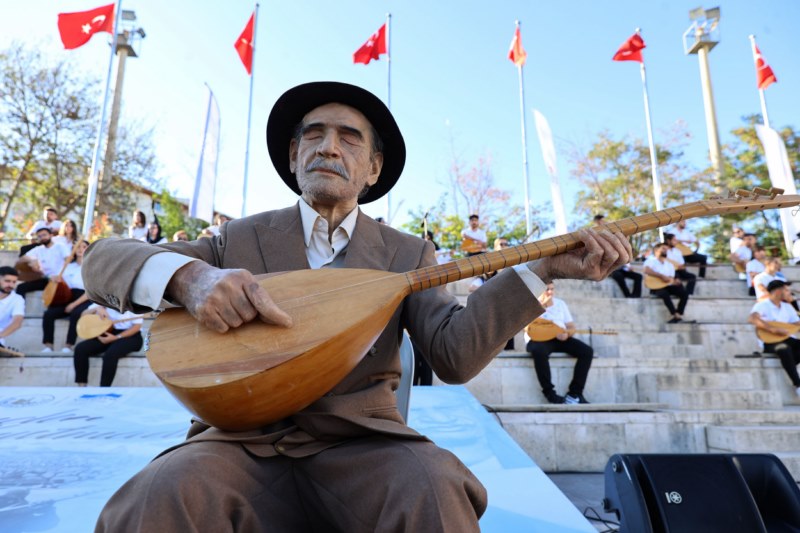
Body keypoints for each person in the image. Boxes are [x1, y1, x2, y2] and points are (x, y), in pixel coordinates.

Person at [83, 81, 631, 532]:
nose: (328, 147)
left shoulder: (407, 253)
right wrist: (190, 278)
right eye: (314, 136)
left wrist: (540, 269)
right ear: (294, 155)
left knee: (434, 488)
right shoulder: (237, 240)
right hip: (239, 446)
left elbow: (452, 355)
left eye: (349, 138)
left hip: (365, 448)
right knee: (158, 495)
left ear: (372, 168)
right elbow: (103, 261)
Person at [525, 282, 593, 404]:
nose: (550, 292)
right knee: (538, 351)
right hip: (538, 340)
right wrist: (541, 305)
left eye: (552, 289)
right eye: (547, 289)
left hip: (559, 338)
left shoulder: (560, 304)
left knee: (587, 351)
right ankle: (550, 393)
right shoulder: (531, 304)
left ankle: (575, 393)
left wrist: (567, 334)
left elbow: (571, 326)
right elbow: (526, 327)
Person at [748, 280, 800, 398]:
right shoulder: (762, 305)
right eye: (786, 290)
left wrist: (794, 304)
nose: (789, 292)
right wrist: (773, 329)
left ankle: (788, 363)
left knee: (789, 348)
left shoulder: (788, 307)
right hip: (770, 341)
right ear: (777, 292)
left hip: (788, 339)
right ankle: (798, 385)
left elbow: (797, 325)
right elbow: (752, 319)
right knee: (784, 349)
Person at [73, 304, 143, 387]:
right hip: (108, 332)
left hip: (130, 336)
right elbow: (83, 315)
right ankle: (82, 386)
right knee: (80, 349)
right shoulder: (104, 300)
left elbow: (137, 327)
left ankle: (104, 388)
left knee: (110, 354)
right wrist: (97, 308)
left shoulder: (133, 302)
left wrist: (116, 337)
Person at [41, 240, 92, 354]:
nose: (80, 249)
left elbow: (90, 292)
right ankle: (48, 345)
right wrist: (54, 279)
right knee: (49, 314)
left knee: (76, 313)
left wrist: (73, 304)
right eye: (78, 247)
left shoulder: (92, 268)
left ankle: (68, 345)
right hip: (66, 296)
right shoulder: (67, 266)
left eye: (84, 247)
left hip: (83, 298)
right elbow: (57, 279)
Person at [594, 214, 641, 298]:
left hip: (621, 268)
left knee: (638, 276)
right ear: (597, 222)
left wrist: (628, 267)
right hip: (611, 269)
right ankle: (627, 295)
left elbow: (623, 256)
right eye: (602, 221)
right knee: (618, 275)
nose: (604, 222)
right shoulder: (596, 234)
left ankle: (636, 295)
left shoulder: (613, 235)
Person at [15, 227, 69, 297]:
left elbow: (68, 260)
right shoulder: (38, 249)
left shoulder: (60, 246)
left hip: (60, 279)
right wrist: (32, 260)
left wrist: (61, 276)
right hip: (45, 278)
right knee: (20, 288)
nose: (42, 237)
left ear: (51, 235)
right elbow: (22, 258)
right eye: (40, 236)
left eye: (44, 235)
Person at [644, 242, 689, 323]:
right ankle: (675, 315)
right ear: (656, 250)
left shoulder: (669, 264)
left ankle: (678, 314)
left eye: (666, 249)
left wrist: (674, 281)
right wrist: (660, 276)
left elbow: (671, 278)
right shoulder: (651, 260)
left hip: (668, 285)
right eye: (663, 249)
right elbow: (646, 270)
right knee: (664, 293)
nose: (666, 251)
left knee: (684, 293)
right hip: (655, 287)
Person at [0, 267, 24, 351]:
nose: (11, 285)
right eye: (7, 281)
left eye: (14, 282)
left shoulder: (17, 299)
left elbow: (17, 322)